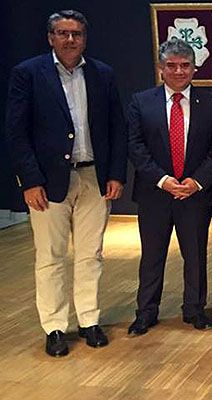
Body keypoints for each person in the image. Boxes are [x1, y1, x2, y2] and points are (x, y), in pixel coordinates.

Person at [5, 9, 127, 357]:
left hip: (93, 177)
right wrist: (29, 180)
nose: (70, 40)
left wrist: (116, 173)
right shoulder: (27, 74)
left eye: (76, 34)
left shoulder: (102, 74)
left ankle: (89, 320)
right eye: (62, 33)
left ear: (84, 38)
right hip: (47, 181)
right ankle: (55, 327)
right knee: (50, 256)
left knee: (91, 255)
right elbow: (16, 133)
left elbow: (117, 128)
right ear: (50, 37)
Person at [127, 38, 212, 336]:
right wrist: (163, 180)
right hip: (155, 193)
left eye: (185, 65)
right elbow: (136, 145)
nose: (179, 71)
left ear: (194, 68)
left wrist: (195, 182)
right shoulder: (141, 102)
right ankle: (146, 312)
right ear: (160, 69)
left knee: (194, 255)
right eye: (172, 66)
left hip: (195, 194)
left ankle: (194, 309)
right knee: (152, 255)